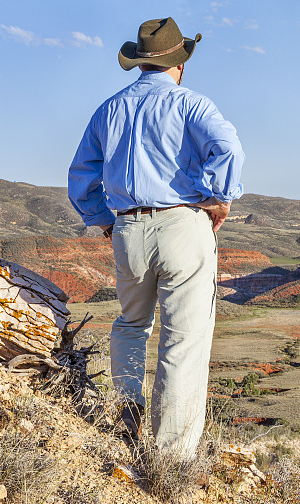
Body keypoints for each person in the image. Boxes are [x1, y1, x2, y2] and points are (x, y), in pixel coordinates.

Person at [67, 17, 244, 461]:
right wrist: (220, 197)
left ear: (140, 62)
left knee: (130, 324)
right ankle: (170, 457)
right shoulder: (192, 105)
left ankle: (125, 416)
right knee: (183, 339)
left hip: (128, 231)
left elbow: (80, 177)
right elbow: (229, 150)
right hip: (181, 225)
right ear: (179, 63)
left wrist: (105, 220)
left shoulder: (109, 109)